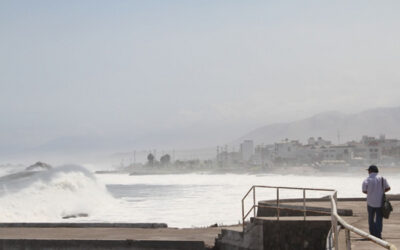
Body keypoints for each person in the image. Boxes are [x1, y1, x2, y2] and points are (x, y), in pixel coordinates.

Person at [362, 165, 391, 239]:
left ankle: (372, 234)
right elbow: (388, 188)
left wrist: (371, 193)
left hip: (370, 202)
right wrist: (381, 191)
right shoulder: (382, 178)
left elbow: (364, 191)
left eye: (368, 170)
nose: (368, 172)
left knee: (371, 218)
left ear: (370, 171)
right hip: (380, 203)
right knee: (379, 219)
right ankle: (378, 234)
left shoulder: (367, 179)